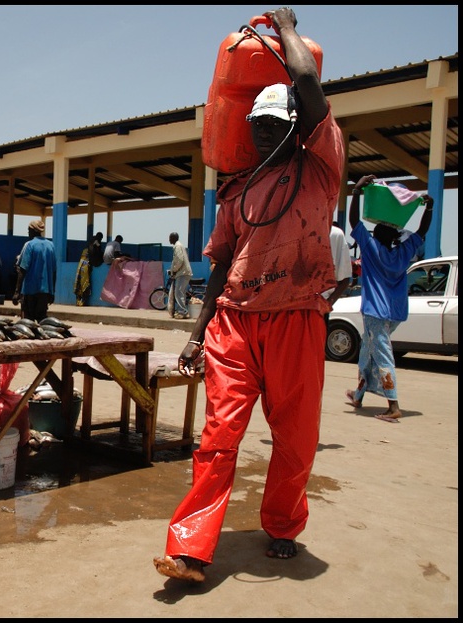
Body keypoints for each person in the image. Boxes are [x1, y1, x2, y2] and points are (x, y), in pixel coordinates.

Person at [153, 7, 345, 584]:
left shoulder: (320, 168)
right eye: (257, 127)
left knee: (294, 440)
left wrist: (286, 28)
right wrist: (194, 334)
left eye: (275, 126)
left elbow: (308, 87)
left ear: (295, 129)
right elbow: (216, 271)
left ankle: (283, 524)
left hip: (296, 318)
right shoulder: (235, 192)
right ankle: (189, 547)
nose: (264, 134)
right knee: (217, 439)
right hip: (234, 324)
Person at [345, 174, 433, 423]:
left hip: (375, 312)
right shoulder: (404, 251)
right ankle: (359, 395)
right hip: (395, 312)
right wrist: (430, 207)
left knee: (382, 355)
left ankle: (393, 405)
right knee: (367, 351)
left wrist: (357, 191)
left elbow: (354, 222)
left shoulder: (371, 249)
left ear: (377, 235)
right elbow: (422, 230)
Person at [12, 219, 56, 321]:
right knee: (42, 320)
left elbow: (22, 269)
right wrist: (52, 292)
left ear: (33, 230)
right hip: (45, 291)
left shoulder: (30, 245)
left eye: (29, 230)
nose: (28, 232)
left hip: (29, 290)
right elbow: (54, 272)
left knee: (28, 321)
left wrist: (17, 292)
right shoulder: (51, 246)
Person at [322, 223, 353, 324]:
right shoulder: (294, 231)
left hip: (319, 309)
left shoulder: (336, 234)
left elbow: (345, 279)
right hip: (293, 309)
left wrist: (328, 304)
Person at [167, 232, 193, 319]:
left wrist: (174, 270)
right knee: (181, 293)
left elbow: (179, 260)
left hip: (182, 273)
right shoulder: (179, 246)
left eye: (170, 238)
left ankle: (183, 312)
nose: (169, 239)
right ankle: (181, 311)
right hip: (184, 272)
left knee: (178, 293)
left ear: (174, 238)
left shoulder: (177, 246)